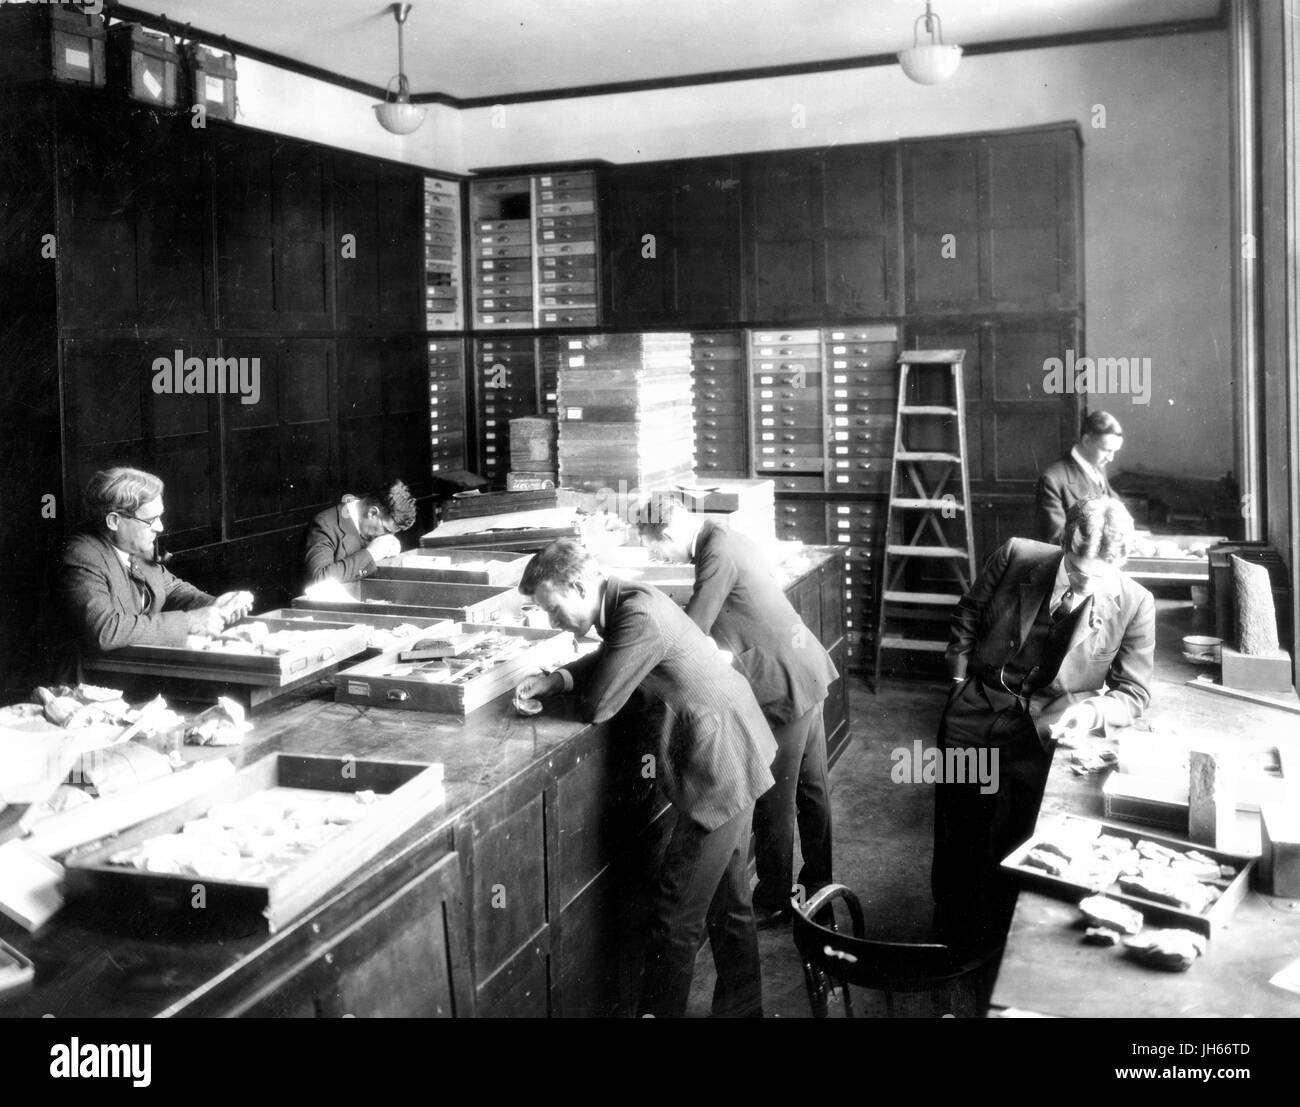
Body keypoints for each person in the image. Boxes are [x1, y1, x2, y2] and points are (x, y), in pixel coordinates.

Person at [514, 538, 777, 1018]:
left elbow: (600, 706)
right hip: (740, 751)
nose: (554, 623)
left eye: (553, 610)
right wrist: (558, 678)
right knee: (729, 906)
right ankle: (745, 1010)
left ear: (577, 586)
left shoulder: (636, 615)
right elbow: (616, 654)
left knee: (674, 920)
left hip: (719, 771)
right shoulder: (632, 599)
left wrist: (564, 696)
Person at [931, 497, 1154, 954]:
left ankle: (997, 943)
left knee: (1018, 839)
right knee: (960, 830)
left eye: (1097, 576)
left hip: (1047, 731)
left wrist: (1092, 712)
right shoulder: (1016, 556)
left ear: (1120, 563)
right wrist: (958, 685)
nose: (1083, 582)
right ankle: (948, 936)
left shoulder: (1135, 603)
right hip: (975, 713)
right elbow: (968, 614)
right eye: (1074, 570)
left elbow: (1135, 693)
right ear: (1063, 544)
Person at [636, 496, 836, 928]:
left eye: (655, 549)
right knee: (811, 788)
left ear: (669, 533)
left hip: (780, 684)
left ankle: (778, 898)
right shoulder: (724, 536)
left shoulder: (715, 551)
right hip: (804, 668)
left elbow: (691, 632)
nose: (657, 558)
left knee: (774, 799)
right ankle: (821, 890)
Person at [55, 468, 254, 679]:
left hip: (134, 673)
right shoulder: (82, 554)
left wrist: (215, 605)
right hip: (87, 684)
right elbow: (106, 630)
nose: (160, 527)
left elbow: (173, 588)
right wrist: (189, 622)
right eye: (150, 520)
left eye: (160, 517)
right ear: (113, 521)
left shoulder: (135, 548)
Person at [302, 480, 417, 585]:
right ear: (372, 513)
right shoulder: (325, 524)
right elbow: (319, 578)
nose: (387, 537)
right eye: (386, 530)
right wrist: (371, 554)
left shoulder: (372, 527)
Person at [1035, 410, 1124, 543]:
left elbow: (1109, 497)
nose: (1111, 458)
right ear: (1086, 441)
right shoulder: (1052, 480)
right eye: (1106, 450)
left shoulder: (1098, 465)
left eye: (1114, 451)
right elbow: (1056, 539)